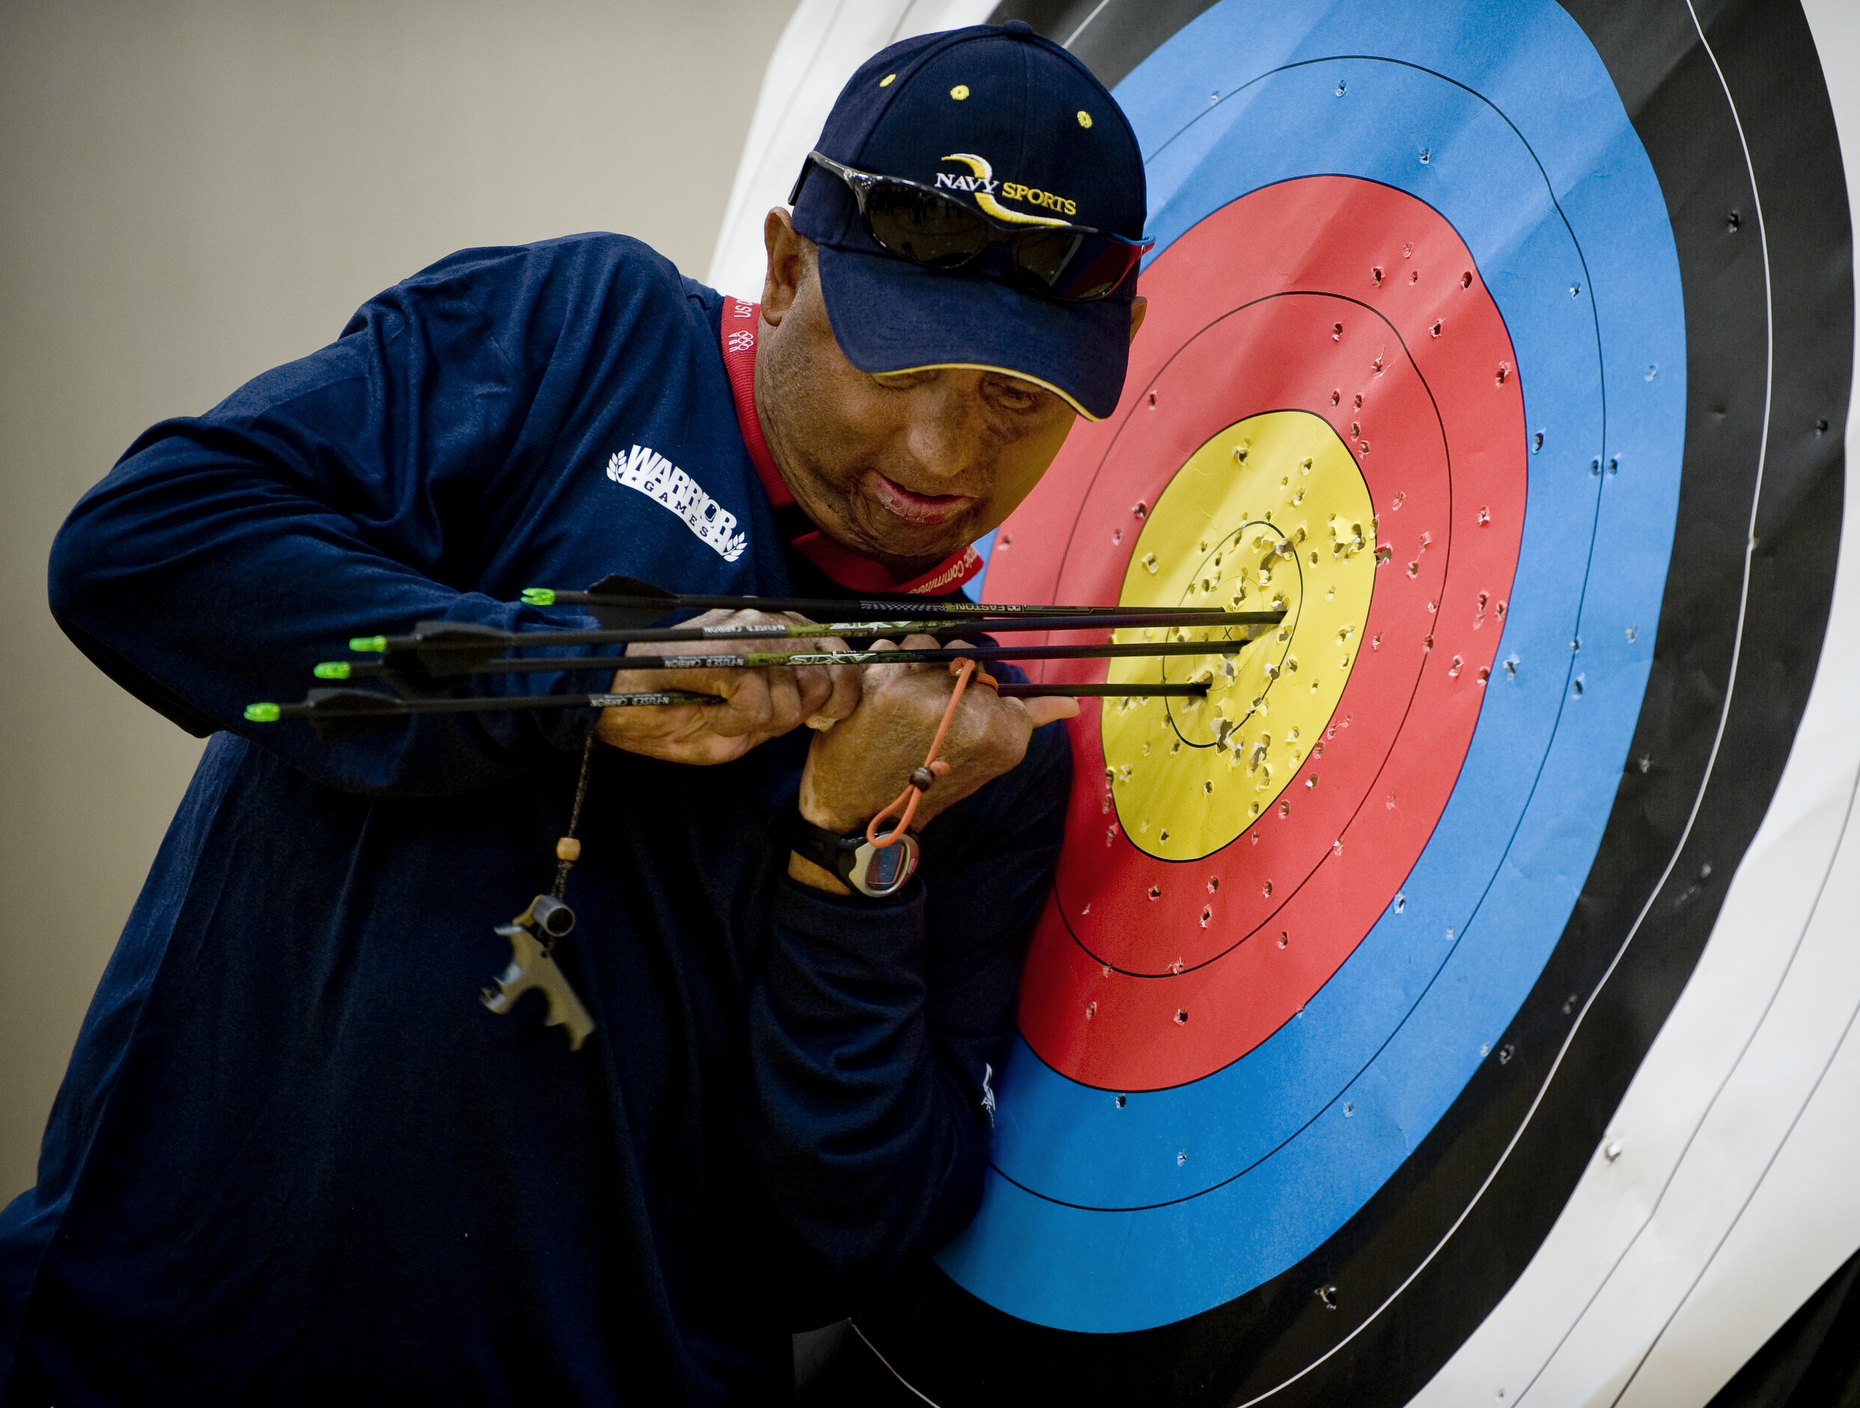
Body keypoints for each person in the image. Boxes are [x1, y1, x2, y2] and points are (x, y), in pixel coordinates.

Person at [0, 21, 1148, 1404]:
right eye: (898, 369)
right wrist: (576, 679)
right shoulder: (576, 337)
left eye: (1016, 400)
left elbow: (842, 1246)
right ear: (785, 265)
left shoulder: (980, 748)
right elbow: (141, 551)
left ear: (1123, 351)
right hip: (135, 1352)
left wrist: (854, 852)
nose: (942, 455)